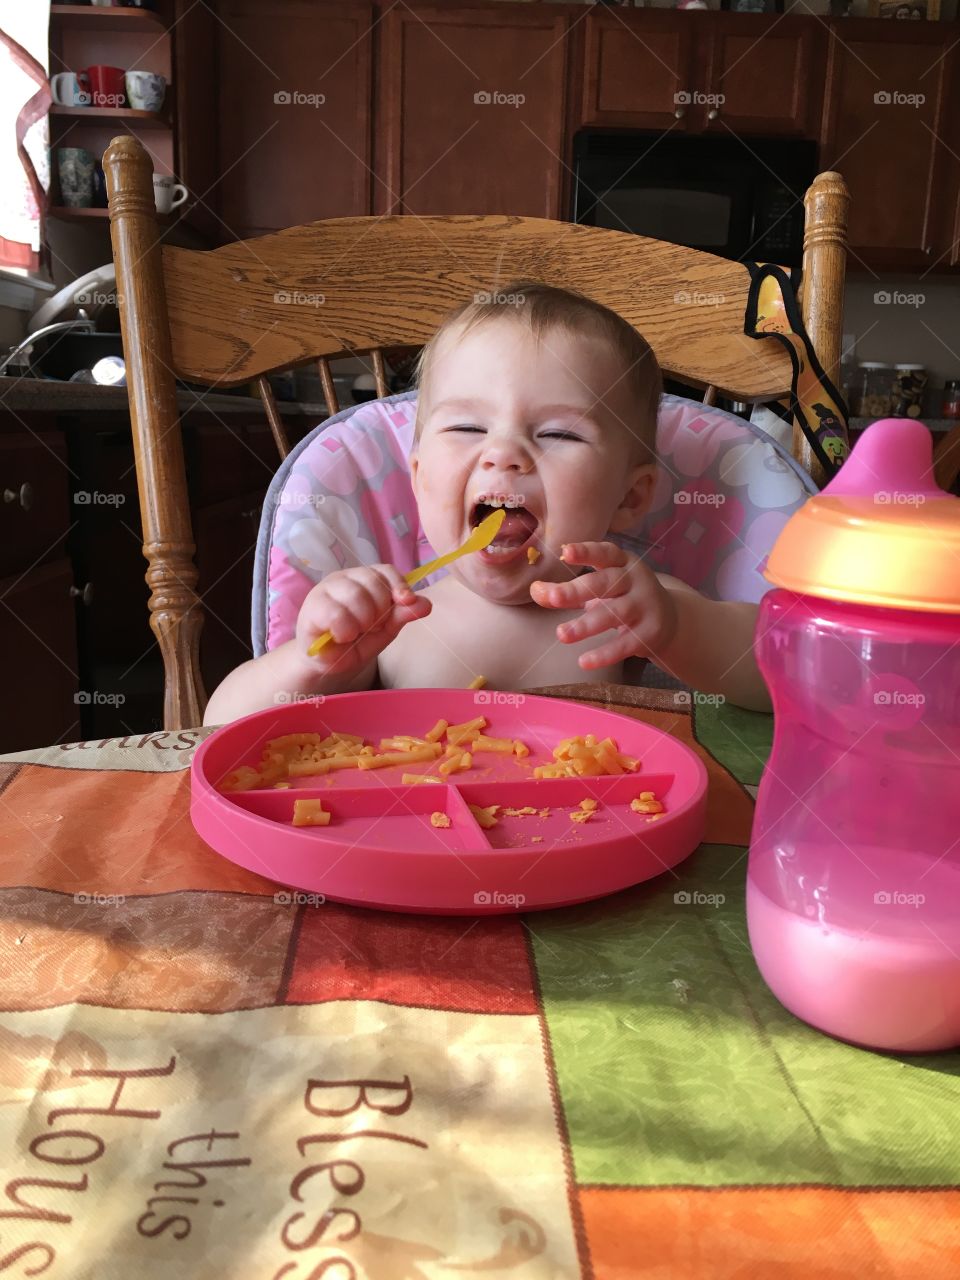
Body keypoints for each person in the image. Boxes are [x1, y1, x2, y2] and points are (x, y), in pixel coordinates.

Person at [204, 283, 772, 724]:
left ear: (630, 498)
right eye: (469, 426)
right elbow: (221, 726)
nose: (504, 454)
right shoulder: (390, 625)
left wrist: (677, 630)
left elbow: (782, 680)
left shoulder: (631, 608)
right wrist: (313, 662)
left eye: (559, 434)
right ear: (421, 478)